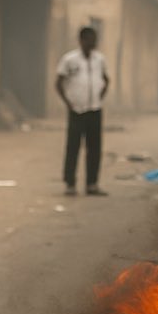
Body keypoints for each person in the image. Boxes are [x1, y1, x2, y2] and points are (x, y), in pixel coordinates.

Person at [55, 26, 111, 196]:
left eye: (94, 39)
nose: (92, 43)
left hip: (94, 109)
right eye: (88, 39)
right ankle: (70, 183)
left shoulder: (99, 59)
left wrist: (100, 97)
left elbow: (106, 79)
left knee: (94, 147)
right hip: (76, 110)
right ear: (81, 40)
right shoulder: (69, 59)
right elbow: (58, 82)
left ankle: (92, 184)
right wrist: (68, 103)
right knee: (73, 146)